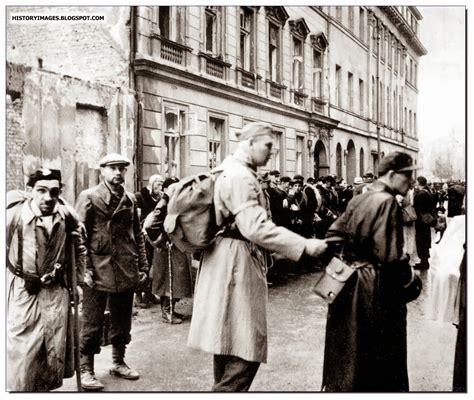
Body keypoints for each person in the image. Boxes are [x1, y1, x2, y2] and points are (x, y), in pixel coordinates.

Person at [187, 122, 328, 392]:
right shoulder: (240, 175)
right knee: (247, 345)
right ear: (250, 143)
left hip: (227, 258)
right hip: (236, 261)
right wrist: (304, 246)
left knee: (227, 340)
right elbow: (254, 227)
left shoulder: (230, 169)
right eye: (267, 145)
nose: (271, 152)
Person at [322, 151, 421, 392]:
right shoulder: (387, 202)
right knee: (381, 358)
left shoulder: (359, 199)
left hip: (351, 284)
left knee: (351, 354)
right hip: (377, 288)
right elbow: (391, 259)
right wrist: (412, 283)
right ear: (391, 174)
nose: (411, 181)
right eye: (407, 175)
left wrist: (349, 261)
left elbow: (332, 236)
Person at [7, 169, 88, 391]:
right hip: (25, 291)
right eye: (41, 191)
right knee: (22, 354)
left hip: (55, 294)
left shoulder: (66, 217)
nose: (47, 198)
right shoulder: (15, 217)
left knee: (51, 350)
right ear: (30, 191)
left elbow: (79, 249)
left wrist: (77, 283)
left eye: (53, 192)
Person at [75, 153, 149, 391]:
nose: (118, 173)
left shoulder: (129, 199)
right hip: (98, 269)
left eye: (122, 169)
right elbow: (79, 237)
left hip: (125, 268)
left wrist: (143, 265)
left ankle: (118, 362)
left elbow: (137, 234)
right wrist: (84, 268)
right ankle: (86, 368)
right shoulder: (89, 197)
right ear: (102, 171)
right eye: (113, 168)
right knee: (92, 321)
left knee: (122, 319)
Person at [143, 177, 193, 324]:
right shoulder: (164, 203)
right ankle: (166, 311)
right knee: (167, 280)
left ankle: (171, 308)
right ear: (166, 190)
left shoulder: (173, 202)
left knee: (179, 279)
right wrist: (161, 241)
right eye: (173, 188)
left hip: (177, 246)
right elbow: (150, 226)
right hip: (168, 248)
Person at [134, 174, 165, 308]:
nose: (160, 187)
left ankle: (149, 293)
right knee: (143, 264)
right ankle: (139, 295)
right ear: (151, 184)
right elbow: (136, 216)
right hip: (142, 235)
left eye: (161, 184)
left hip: (154, 236)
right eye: (157, 184)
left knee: (153, 264)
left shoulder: (160, 198)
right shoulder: (140, 196)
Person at [414, 176, 436, 270]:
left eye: (416, 182)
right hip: (426, 220)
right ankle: (424, 261)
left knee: (421, 242)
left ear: (419, 183)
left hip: (421, 221)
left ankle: (424, 263)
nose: (415, 184)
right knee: (425, 241)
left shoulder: (420, 194)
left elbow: (418, 209)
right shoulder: (428, 192)